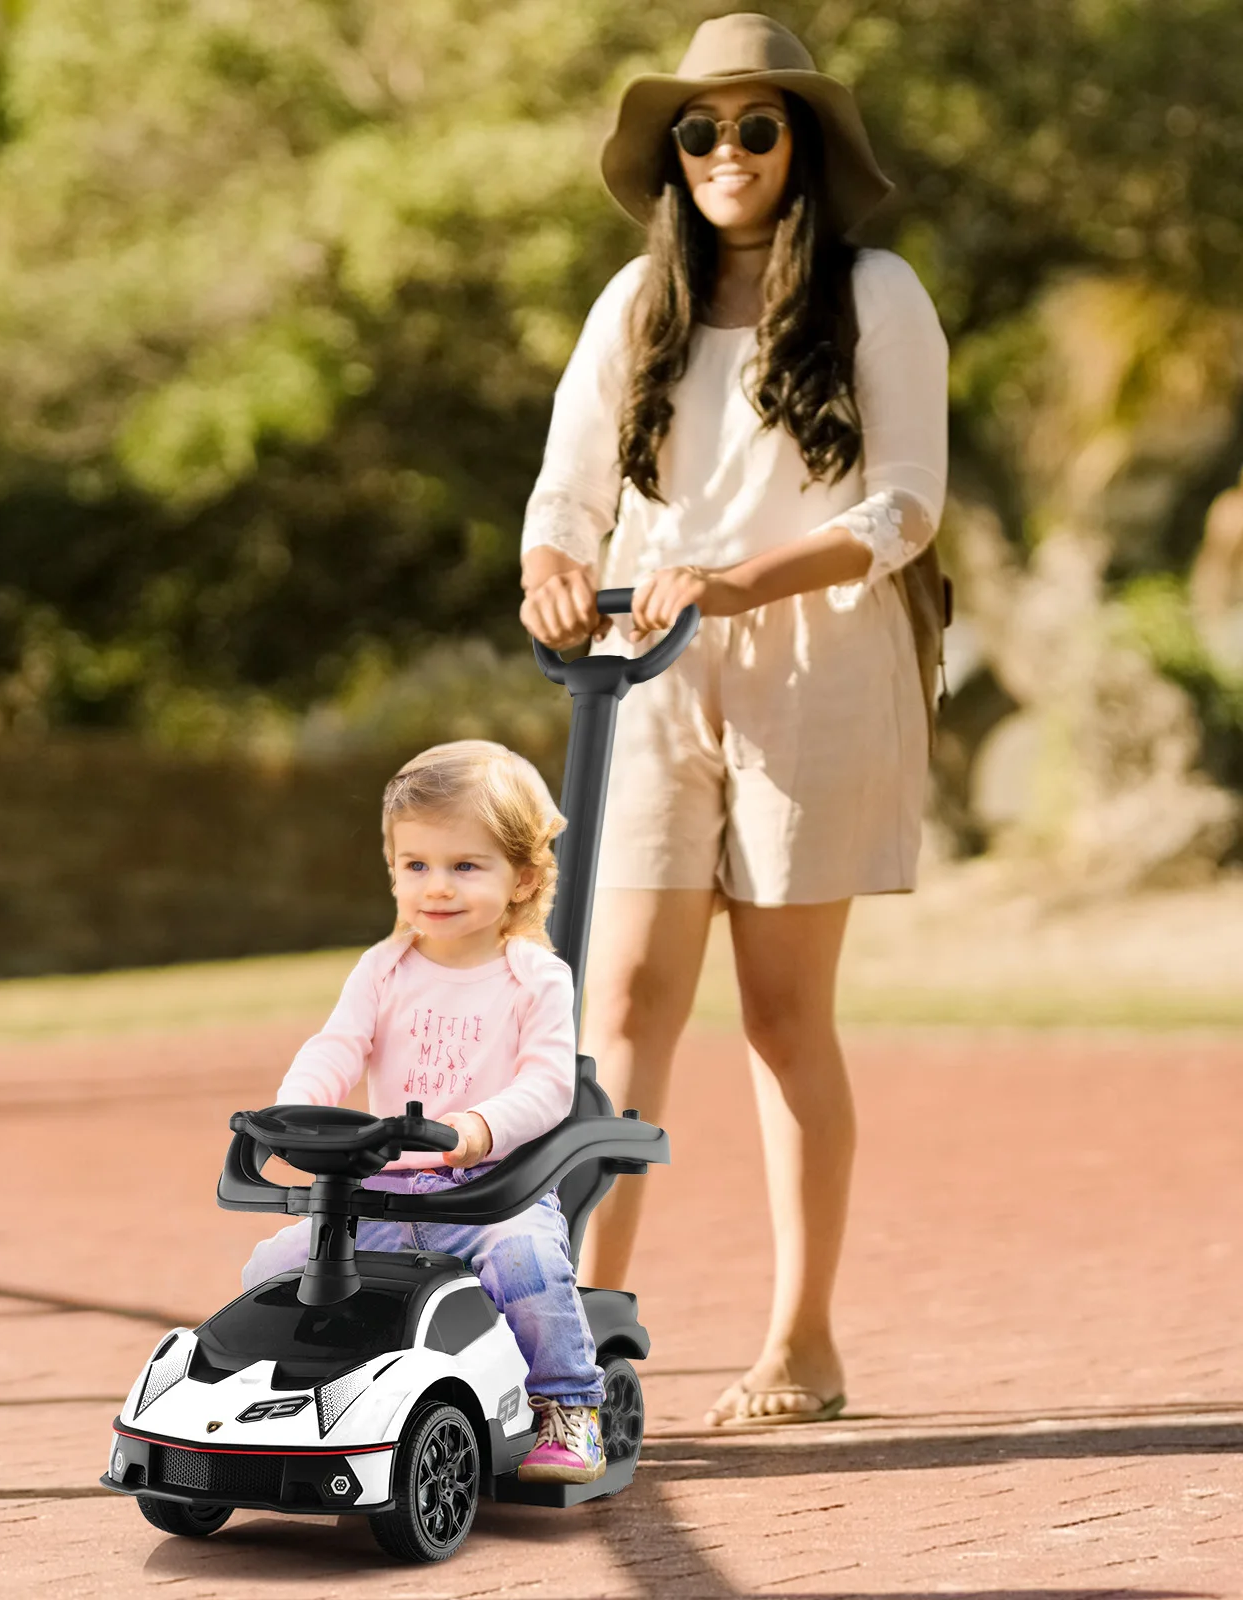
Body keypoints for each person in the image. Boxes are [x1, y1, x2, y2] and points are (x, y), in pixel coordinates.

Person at [518, 13, 948, 1427]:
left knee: (779, 1015)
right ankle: (576, 1336)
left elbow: (905, 507)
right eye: (699, 132)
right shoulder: (630, 306)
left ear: (803, 144)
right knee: (622, 1001)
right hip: (649, 663)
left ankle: (801, 1346)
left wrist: (748, 576)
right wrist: (553, 569)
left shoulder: (876, 292)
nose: (724, 154)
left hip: (816, 663)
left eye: (756, 127)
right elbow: (570, 487)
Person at [243, 740, 609, 1483]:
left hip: (488, 1195)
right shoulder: (384, 968)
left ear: (523, 878)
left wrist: (477, 1129)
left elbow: (548, 1086)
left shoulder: (534, 976)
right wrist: (294, 1108)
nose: (436, 887)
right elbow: (336, 1047)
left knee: (526, 1260)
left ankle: (570, 1408)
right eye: (417, 866)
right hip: (378, 1193)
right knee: (276, 1265)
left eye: (465, 866)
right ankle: (285, 1401)